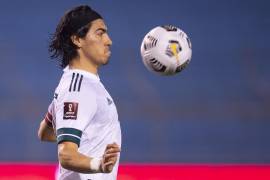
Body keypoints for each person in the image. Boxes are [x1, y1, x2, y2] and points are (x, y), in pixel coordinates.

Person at [37, 5, 121, 180]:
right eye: (100, 33)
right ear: (77, 39)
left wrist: (81, 137)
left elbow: (44, 132)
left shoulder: (77, 84)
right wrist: (99, 164)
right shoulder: (78, 88)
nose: (108, 40)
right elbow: (66, 155)